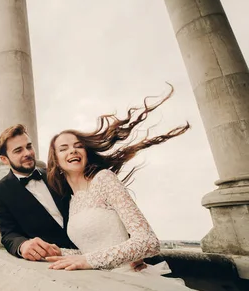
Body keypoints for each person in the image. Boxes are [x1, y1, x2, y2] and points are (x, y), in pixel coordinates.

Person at [44, 85, 190, 273]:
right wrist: (56, 252)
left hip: (129, 277)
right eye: (63, 148)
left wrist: (88, 260)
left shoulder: (104, 179)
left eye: (78, 146)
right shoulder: (71, 201)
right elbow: (91, 251)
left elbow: (148, 241)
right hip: (99, 281)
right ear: (56, 159)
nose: (72, 150)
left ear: (86, 153)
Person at [0, 124, 77, 261]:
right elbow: (9, 234)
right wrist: (23, 245)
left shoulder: (55, 174)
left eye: (29, 146)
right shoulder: (0, 192)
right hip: (54, 260)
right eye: (18, 150)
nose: (27, 153)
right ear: (4, 159)